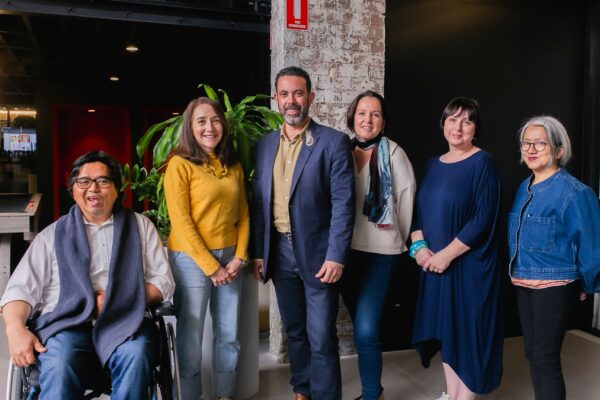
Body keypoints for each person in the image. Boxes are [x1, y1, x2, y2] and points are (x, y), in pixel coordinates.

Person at [0, 150, 175, 399]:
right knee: (59, 362)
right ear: (73, 190)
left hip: (127, 322)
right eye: (83, 181)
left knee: (136, 355)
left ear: (117, 189)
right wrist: (15, 329)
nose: (93, 188)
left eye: (103, 181)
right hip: (65, 324)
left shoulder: (140, 227)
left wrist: (118, 300)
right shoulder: (52, 235)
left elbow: (163, 281)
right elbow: (20, 290)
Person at [250, 66, 355, 400]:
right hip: (278, 251)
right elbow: (258, 202)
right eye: (284, 94)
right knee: (295, 331)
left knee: (321, 334)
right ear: (276, 98)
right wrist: (258, 251)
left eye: (298, 93)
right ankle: (302, 389)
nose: (291, 101)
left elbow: (343, 203)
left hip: (319, 253)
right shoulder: (265, 145)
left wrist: (336, 255)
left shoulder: (333, 142)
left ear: (310, 97)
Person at [410, 97, 503, 400]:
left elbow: (483, 218)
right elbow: (417, 214)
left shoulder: (483, 163)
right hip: (435, 266)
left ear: (476, 128)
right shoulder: (431, 165)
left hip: (469, 267)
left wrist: (445, 256)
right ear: (443, 124)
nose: (458, 126)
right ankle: (452, 394)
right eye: (452, 119)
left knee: (467, 335)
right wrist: (420, 249)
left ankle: (467, 397)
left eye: (467, 120)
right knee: (447, 333)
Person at [508, 115, 600, 400]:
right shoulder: (525, 187)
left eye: (540, 143)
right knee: (533, 354)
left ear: (559, 151)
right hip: (523, 282)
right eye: (526, 143)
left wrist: (587, 284)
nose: (531, 149)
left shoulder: (575, 193)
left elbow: (592, 246)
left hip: (556, 287)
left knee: (546, 359)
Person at [164, 97, 249, 400]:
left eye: (214, 120)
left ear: (223, 126)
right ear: (190, 127)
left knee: (229, 334)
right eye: (201, 121)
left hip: (231, 258)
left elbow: (243, 215)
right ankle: (190, 396)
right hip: (190, 259)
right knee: (190, 336)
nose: (209, 127)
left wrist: (240, 257)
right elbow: (182, 221)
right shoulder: (179, 164)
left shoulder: (233, 167)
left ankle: (225, 394)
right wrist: (211, 267)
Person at [340, 90, 416, 400]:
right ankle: (375, 390)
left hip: (381, 255)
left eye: (374, 114)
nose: (367, 119)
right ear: (352, 117)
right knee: (360, 326)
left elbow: (407, 204)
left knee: (367, 329)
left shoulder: (394, 154)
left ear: (383, 121)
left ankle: (371, 395)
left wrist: (394, 241)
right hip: (345, 254)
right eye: (362, 113)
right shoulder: (340, 151)